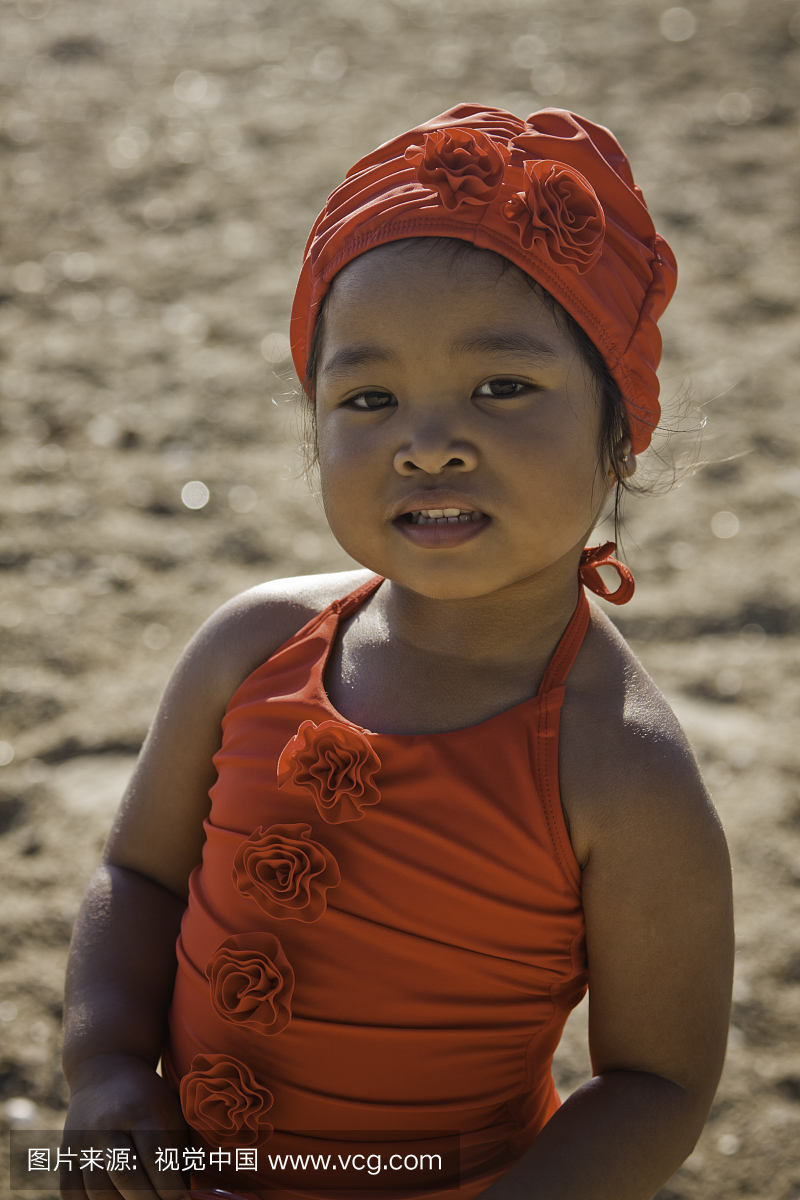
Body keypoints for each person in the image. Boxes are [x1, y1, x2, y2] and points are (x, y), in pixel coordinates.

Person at [61, 105, 734, 1200]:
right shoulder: (251, 644)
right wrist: (99, 1071)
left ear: (620, 428)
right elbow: (135, 875)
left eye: (502, 388)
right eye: (368, 398)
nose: (427, 444)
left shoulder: (620, 767)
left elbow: (656, 1082)